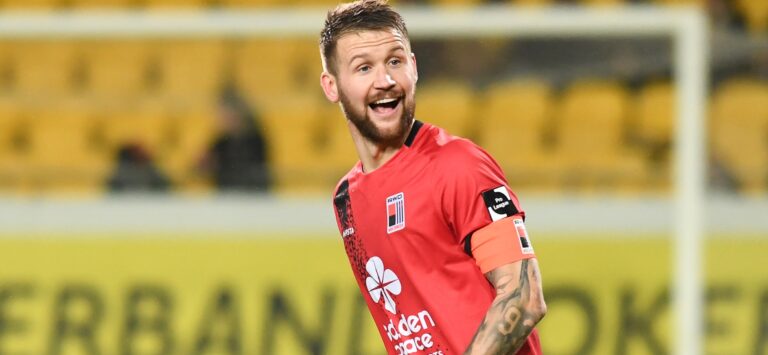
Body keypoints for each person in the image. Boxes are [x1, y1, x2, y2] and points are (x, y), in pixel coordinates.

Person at [319, 1, 546, 354]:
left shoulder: (458, 166)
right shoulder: (346, 198)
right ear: (332, 87)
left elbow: (524, 296)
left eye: (395, 61)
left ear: (413, 67)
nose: (385, 81)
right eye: (364, 68)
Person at [199, 87, 271, 192]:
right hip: (227, 197)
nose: (220, 118)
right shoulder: (221, 141)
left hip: (252, 198)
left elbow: (257, 173)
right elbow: (199, 167)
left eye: (224, 113)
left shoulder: (255, 140)